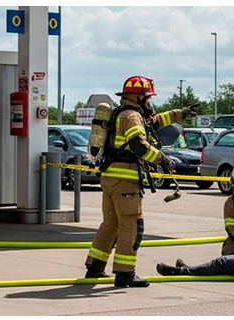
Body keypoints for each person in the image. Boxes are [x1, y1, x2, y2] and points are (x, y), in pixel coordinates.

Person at [84, 76, 196, 288]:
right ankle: (125, 273)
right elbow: (139, 145)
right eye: (148, 98)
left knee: (111, 224)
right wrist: (163, 159)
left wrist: (181, 113)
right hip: (125, 181)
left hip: (111, 177)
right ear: (138, 98)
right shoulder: (132, 117)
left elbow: (155, 121)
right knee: (132, 225)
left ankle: (95, 267)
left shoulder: (123, 113)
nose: (150, 103)